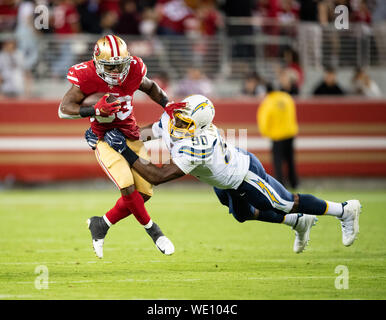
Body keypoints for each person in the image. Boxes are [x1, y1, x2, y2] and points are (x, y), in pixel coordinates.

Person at [85, 94, 362, 254]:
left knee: (286, 201)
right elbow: (147, 132)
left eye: (186, 122)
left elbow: (158, 176)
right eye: (179, 116)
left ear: (200, 126)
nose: (177, 123)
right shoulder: (173, 116)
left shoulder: (199, 143)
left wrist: (126, 152)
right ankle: (299, 224)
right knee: (242, 215)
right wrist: (118, 137)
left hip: (242, 175)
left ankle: (344, 210)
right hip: (221, 180)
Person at [59, 35, 185, 258]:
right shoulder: (86, 75)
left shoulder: (135, 69)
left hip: (131, 135)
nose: (117, 71)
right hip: (104, 138)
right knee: (127, 186)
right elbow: (64, 109)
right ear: (98, 63)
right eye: (111, 66)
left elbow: (151, 87)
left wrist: (168, 104)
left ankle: (101, 224)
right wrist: (95, 111)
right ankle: (155, 232)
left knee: (144, 193)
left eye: (121, 65)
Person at [257, 83, 299, 189]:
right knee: (290, 160)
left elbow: (264, 119)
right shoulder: (287, 97)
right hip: (290, 134)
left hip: (277, 136)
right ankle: (294, 183)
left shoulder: (268, 101)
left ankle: (280, 184)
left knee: (278, 162)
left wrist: (266, 133)